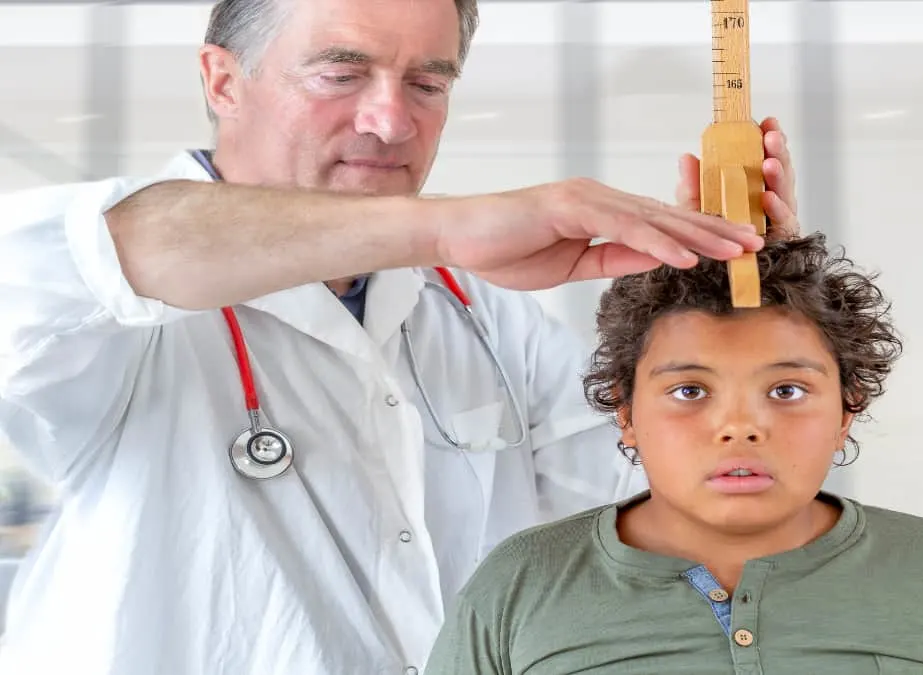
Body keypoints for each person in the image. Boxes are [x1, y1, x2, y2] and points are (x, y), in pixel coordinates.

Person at [0, 0, 801, 673]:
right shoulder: (108, 306)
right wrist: (446, 225)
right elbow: (123, 244)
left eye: (427, 82)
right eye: (340, 74)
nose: (390, 120)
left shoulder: (488, 316)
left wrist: (737, 296)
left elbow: (656, 525)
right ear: (222, 79)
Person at [423, 234, 923, 675]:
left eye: (787, 390)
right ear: (625, 410)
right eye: (689, 391)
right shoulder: (519, 584)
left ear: (847, 409)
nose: (741, 428)